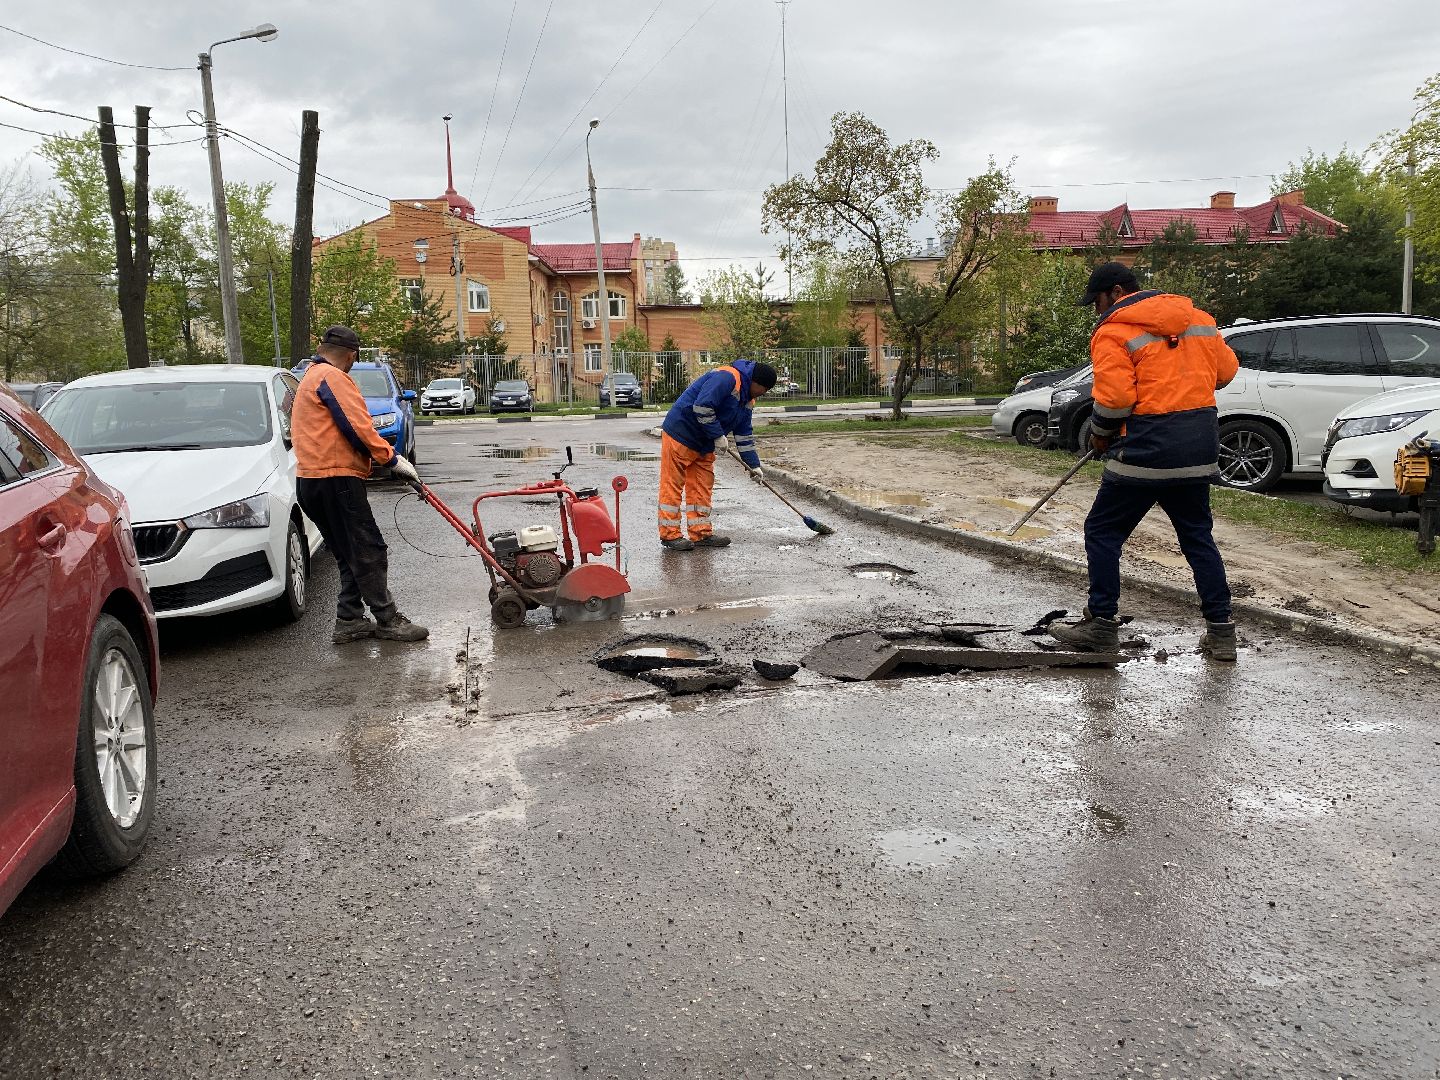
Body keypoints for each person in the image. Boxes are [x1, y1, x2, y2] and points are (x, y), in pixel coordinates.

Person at [1048, 262, 1240, 661]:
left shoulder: (1114, 331)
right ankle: (1221, 634)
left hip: (1143, 450)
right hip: (1196, 448)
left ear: (1116, 292)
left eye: (1098, 302)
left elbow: (1116, 399)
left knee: (1102, 531)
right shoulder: (1199, 320)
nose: (1097, 311)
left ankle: (1101, 625)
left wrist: (1101, 433)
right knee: (1197, 538)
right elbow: (1225, 373)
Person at [291, 325, 429, 644]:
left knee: (348, 553)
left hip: (311, 482)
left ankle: (349, 619)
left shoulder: (309, 377)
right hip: (335, 480)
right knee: (369, 549)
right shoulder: (333, 377)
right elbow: (356, 427)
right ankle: (387, 618)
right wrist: (392, 460)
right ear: (351, 355)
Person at [657, 358, 777, 550]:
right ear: (756, 383)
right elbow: (702, 406)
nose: (763, 394)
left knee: (701, 486)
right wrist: (718, 435)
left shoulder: (748, 399)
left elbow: (744, 433)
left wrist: (754, 465)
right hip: (681, 433)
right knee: (673, 484)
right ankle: (670, 535)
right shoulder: (727, 377)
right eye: (763, 390)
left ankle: (700, 533)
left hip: (704, 442)